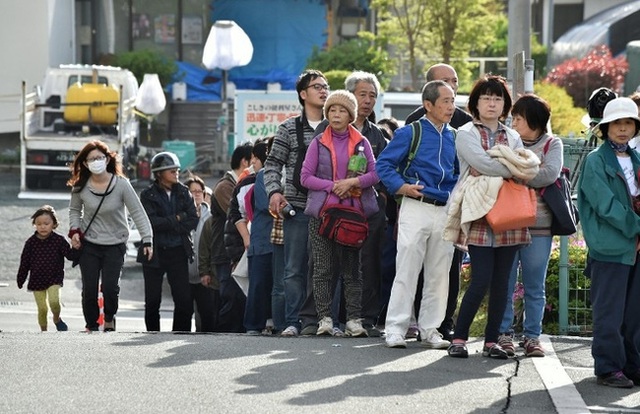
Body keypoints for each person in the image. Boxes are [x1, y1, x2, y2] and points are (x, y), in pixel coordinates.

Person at [445, 75, 530, 359]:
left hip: (509, 211)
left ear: (505, 104)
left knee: (502, 282)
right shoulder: (466, 132)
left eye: (497, 98)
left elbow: (525, 167)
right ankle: (459, 338)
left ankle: (491, 341)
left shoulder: (513, 134)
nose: (492, 103)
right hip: (480, 211)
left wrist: (504, 164)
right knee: (480, 279)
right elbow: (481, 163)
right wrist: (510, 165)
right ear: (476, 103)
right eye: (486, 98)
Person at [298, 70, 388, 337]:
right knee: (323, 268)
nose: (336, 115)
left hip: (353, 214)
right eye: (332, 110)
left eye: (341, 110)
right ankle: (324, 318)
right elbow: (305, 177)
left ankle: (354, 320)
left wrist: (353, 184)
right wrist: (333, 186)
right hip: (324, 213)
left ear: (351, 114)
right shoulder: (318, 142)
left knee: (353, 270)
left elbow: (377, 173)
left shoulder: (362, 142)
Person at [376, 80, 458, 349]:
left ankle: (431, 329)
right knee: (407, 268)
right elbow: (384, 164)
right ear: (428, 104)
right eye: (445, 101)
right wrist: (401, 187)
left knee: (439, 272)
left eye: (452, 100)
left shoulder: (454, 136)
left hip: (444, 209)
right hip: (415, 205)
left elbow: (460, 173)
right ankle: (395, 329)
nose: (451, 106)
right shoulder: (410, 132)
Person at [405, 63, 473, 341]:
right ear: (429, 94)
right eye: (445, 82)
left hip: (452, 205)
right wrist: (404, 187)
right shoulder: (415, 122)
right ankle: (417, 322)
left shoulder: (466, 122)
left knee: (450, 268)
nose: (452, 86)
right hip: (420, 204)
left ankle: (443, 322)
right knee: (418, 266)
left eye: (455, 81)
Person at [577, 97, 640, 388]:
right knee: (609, 313)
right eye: (617, 123)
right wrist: (637, 228)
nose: (623, 129)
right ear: (605, 128)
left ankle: (631, 366)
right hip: (611, 247)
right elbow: (606, 205)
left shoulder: (637, 159)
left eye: (629, 123)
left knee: (633, 315)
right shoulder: (595, 161)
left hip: (635, 247)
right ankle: (608, 367)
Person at [264, 69, 329, 336]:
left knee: (324, 268)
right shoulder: (289, 127)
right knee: (293, 269)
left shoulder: (334, 126)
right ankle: (292, 321)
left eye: (326, 86)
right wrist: (274, 192)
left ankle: (320, 321)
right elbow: (272, 164)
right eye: (317, 86)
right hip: (297, 206)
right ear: (303, 94)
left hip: (328, 207)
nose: (323, 90)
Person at [497, 95, 563, 357]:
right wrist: (527, 172)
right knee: (505, 282)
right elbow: (497, 170)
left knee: (535, 285)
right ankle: (503, 334)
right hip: (508, 221)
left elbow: (550, 174)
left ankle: (532, 336)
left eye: (519, 118)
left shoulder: (551, 143)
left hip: (539, 224)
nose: (514, 122)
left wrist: (516, 172)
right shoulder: (507, 141)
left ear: (534, 120)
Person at [68, 140, 153, 332]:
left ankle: (109, 318)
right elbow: (74, 210)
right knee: (89, 289)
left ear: (107, 160)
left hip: (115, 244)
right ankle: (91, 324)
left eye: (100, 157)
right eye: (92, 159)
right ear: (85, 163)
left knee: (110, 288)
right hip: (89, 243)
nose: (96, 161)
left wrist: (147, 239)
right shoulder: (80, 186)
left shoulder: (121, 184)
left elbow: (138, 212)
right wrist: (74, 231)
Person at [139, 151, 197, 332]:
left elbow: (192, 219)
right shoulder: (147, 195)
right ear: (159, 174)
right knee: (152, 300)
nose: (176, 173)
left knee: (183, 300)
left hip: (178, 250)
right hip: (154, 251)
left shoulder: (184, 192)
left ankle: (180, 332)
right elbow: (151, 223)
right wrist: (178, 218)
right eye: (171, 170)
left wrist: (172, 223)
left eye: (176, 170)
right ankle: (152, 334)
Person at [199, 143, 252, 332]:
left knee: (240, 299)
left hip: (238, 253)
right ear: (244, 161)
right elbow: (237, 215)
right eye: (252, 160)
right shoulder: (225, 187)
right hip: (225, 254)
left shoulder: (241, 185)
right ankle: (225, 339)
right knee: (230, 300)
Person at [17, 205, 76, 331]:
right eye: (38, 224)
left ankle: (56, 318)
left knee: (54, 302)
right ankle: (44, 333)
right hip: (37, 280)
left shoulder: (59, 240)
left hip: (54, 278)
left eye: (46, 223)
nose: (42, 226)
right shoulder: (30, 243)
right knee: (42, 309)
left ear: (54, 224)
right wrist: (20, 279)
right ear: (35, 225)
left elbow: (70, 255)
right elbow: (25, 263)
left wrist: (77, 247)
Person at [184, 174, 217, 332]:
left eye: (199, 191)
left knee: (206, 314)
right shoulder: (182, 216)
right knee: (184, 313)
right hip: (184, 274)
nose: (196, 194)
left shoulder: (210, 217)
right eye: (192, 191)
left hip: (205, 275)